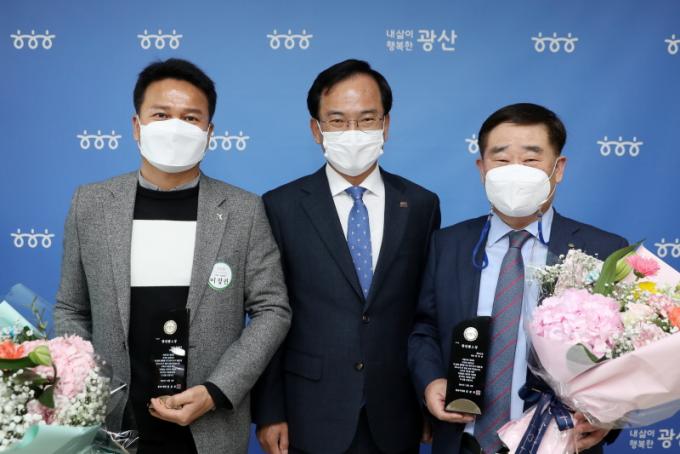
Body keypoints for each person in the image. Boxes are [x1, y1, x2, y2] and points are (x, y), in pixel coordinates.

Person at [54, 58, 291, 454]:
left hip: (209, 428)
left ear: (209, 132)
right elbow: (70, 308)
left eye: (191, 118)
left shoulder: (244, 210)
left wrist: (217, 390)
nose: (175, 128)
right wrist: (88, 386)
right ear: (137, 126)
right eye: (161, 115)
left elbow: (272, 309)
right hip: (110, 426)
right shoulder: (91, 204)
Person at [408, 103, 625, 454]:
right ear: (482, 168)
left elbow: (624, 355)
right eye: (502, 159)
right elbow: (424, 328)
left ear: (558, 168)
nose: (515, 171)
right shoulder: (448, 244)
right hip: (462, 441)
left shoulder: (602, 251)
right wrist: (431, 380)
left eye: (531, 159)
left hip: (562, 441)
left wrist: (608, 417)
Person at [252, 59, 441, 454]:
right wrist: (269, 411)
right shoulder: (281, 206)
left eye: (367, 119)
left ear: (386, 125)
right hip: (309, 410)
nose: (353, 132)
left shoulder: (421, 204)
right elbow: (269, 313)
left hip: (397, 409)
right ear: (316, 129)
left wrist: (426, 394)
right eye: (337, 121)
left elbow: (427, 312)